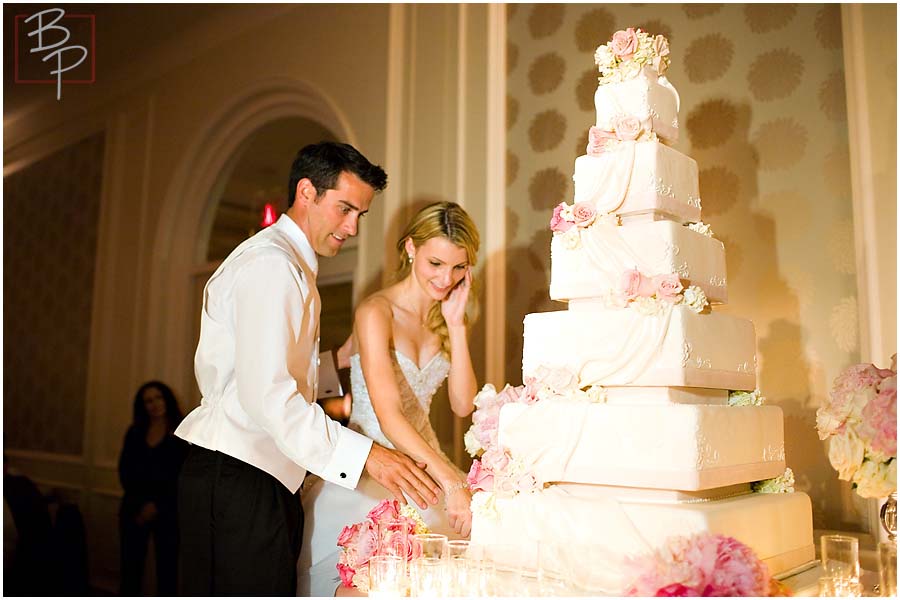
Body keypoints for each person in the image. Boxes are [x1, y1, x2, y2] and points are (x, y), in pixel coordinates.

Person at [175, 142, 442, 596]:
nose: (352, 227)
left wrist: (335, 364)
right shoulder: (272, 265)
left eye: (360, 214)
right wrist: (368, 455)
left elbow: (274, 375)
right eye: (344, 209)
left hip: (263, 478)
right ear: (306, 192)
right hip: (239, 478)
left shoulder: (292, 265)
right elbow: (268, 397)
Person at [298, 201, 480, 596]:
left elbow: (463, 405)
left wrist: (456, 325)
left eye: (458, 267)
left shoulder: (445, 315)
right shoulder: (375, 311)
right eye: (435, 263)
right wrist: (450, 482)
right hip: (372, 464)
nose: (445, 278)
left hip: (427, 460)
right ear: (411, 248)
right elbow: (390, 415)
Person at [118, 381, 188, 596]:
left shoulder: (182, 431)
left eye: (158, 397)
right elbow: (125, 470)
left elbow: (181, 476)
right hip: (134, 510)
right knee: (130, 569)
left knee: (167, 572)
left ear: (167, 398)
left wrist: (157, 506)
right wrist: (141, 506)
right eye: (148, 401)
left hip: (168, 512)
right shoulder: (135, 432)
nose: (154, 404)